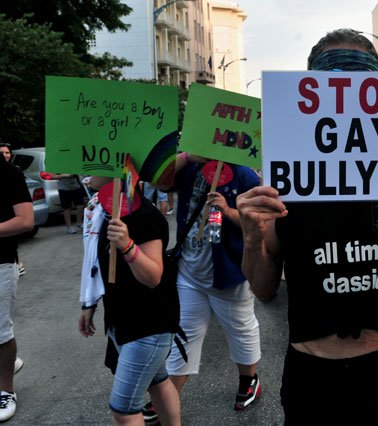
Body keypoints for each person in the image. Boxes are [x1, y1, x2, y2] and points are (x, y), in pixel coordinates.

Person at [236, 28, 378, 425]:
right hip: (313, 377)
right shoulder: (285, 189)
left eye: (360, 83)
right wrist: (252, 240)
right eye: (334, 80)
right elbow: (264, 287)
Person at [151, 153, 262, 418]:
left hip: (229, 274)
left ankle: (250, 381)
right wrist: (188, 156)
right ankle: (168, 395)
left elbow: (258, 222)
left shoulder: (244, 174)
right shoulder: (190, 168)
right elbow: (157, 180)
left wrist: (228, 210)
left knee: (240, 329)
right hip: (190, 273)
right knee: (185, 334)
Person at [78, 176, 181, 425]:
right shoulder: (104, 209)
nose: (88, 174)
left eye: (96, 166)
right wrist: (89, 303)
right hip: (123, 318)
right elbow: (94, 260)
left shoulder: (143, 214)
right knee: (158, 382)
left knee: (123, 410)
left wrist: (127, 246)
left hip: (148, 324)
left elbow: (153, 276)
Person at [0, 153, 34, 422]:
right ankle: (8, 364)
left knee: (1, 331)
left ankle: (6, 390)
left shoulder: (8, 174)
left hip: (0, 263)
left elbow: (25, 220)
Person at [0, 143, 25, 277]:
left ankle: (17, 262)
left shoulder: (16, 171)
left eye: (7, 152)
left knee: (11, 240)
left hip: (14, 213)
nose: (4, 155)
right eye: (2, 152)